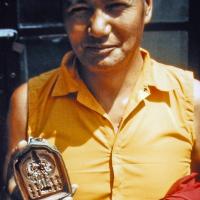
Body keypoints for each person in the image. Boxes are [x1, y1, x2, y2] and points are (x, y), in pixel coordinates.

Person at [4, 0, 200, 199]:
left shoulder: (191, 100)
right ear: (64, 17)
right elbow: (11, 186)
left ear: (147, 7)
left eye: (115, 6)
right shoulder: (29, 102)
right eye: (80, 9)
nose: (97, 28)